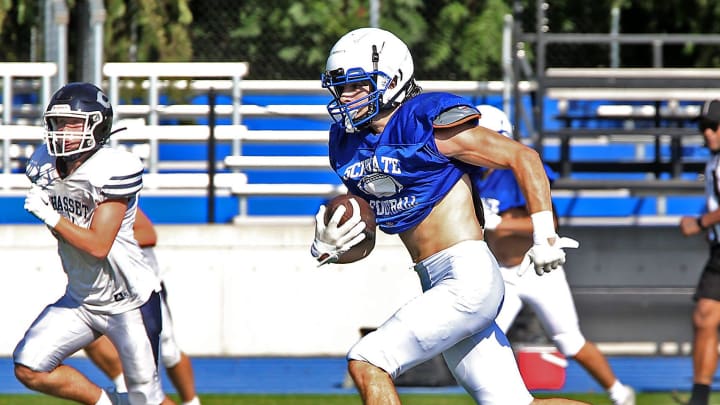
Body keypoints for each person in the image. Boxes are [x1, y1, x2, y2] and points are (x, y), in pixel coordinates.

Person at [311, 27, 586, 405]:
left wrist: (544, 234)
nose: (344, 97)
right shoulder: (349, 144)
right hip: (436, 279)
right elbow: (367, 236)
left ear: (390, 80)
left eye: (356, 86)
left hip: (467, 276)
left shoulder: (424, 120)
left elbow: (524, 158)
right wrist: (335, 246)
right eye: (339, 88)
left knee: (367, 360)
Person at [14, 82, 167, 405]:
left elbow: (99, 245)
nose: (64, 132)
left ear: (98, 126)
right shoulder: (44, 165)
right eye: (59, 123)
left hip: (130, 301)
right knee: (30, 366)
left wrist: (50, 216)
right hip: (82, 298)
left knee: (147, 399)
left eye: (74, 124)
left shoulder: (113, 168)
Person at [472, 104, 636, 405]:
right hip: (500, 273)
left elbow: (550, 221)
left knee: (569, 341)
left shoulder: (510, 173)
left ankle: (620, 393)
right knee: (482, 342)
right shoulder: (473, 176)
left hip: (536, 270)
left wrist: (499, 224)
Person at [83, 208, 202, 405]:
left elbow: (148, 234)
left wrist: (104, 239)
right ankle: (123, 386)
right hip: (106, 288)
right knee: (90, 335)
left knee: (168, 350)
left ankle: (191, 401)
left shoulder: (109, 196)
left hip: (144, 286)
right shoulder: (71, 201)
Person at [677, 98, 720, 405]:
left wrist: (701, 222)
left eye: (714, 126)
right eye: (704, 127)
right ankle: (700, 398)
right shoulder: (714, 161)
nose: (708, 133)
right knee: (705, 316)